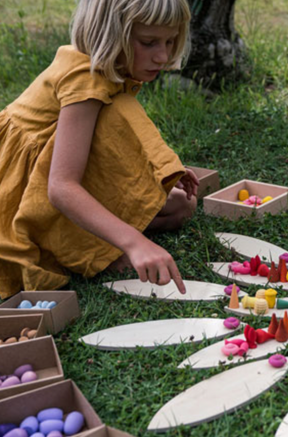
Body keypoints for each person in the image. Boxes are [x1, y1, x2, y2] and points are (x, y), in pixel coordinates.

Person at [0, 0, 199, 299]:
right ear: (110, 33)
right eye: (149, 42)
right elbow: (61, 187)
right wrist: (134, 242)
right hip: (20, 189)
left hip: (50, 169)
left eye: (170, 41)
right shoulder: (85, 80)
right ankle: (94, 247)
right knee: (160, 214)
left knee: (182, 206)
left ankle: (100, 240)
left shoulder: (111, 70)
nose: (163, 55)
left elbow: (106, 139)